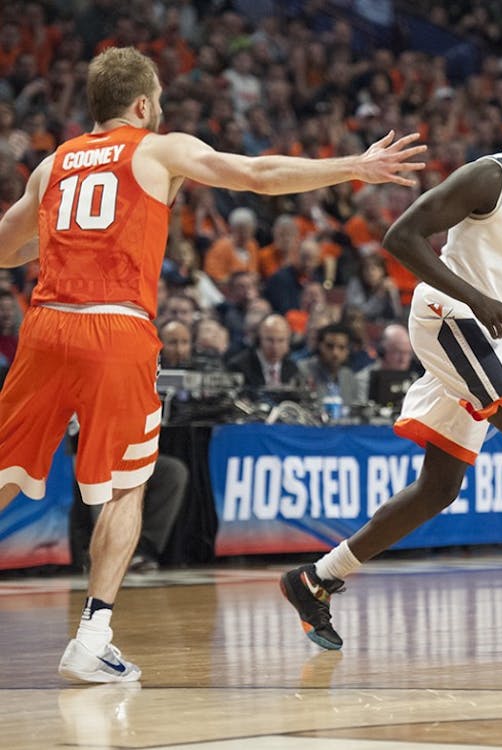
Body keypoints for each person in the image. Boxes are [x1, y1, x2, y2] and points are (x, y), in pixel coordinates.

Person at [0, 46, 424, 684]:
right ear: (141, 104)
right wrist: (353, 166)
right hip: (115, 326)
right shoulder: (158, 149)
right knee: (127, 487)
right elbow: (257, 174)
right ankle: (91, 639)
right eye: (158, 100)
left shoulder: (51, 163)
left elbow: (7, 248)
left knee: (6, 470)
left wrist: (66, 234)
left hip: (45, 323)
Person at [280, 90, 502, 656]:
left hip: (483, 331)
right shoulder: (490, 177)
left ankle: (316, 579)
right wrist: (476, 297)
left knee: (439, 488)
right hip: (448, 314)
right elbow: (401, 237)